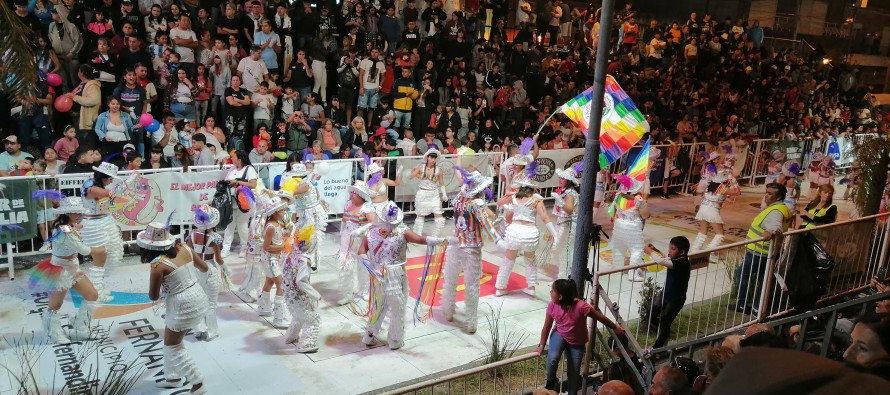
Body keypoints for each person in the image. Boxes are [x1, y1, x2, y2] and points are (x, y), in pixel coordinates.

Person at [358, 202, 446, 349]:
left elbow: (361, 252)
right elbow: (420, 239)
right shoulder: (401, 232)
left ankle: (369, 335)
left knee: (379, 305)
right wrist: (439, 241)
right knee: (397, 306)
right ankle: (395, 340)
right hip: (394, 275)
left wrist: (373, 270)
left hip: (378, 275)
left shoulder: (371, 233)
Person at [139, 222, 209, 394]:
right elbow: (204, 267)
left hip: (181, 304)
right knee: (172, 342)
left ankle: (197, 382)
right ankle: (173, 377)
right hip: (198, 296)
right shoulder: (184, 247)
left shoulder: (158, 265)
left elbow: (153, 296)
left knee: (172, 345)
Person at [33, 197, 107, 344]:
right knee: (55, 305)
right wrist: (105, 248)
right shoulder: (64, 231)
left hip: (73, 268)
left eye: (79, 211)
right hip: (60, 270)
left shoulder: (69, 225)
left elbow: (75, 228)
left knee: (92, 295)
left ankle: (81, 328)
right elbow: (85, 250)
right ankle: (53, 333)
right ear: (66, 213)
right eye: (74, 212)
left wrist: (81, 227)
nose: (78, 214)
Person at [535, 279, 624, 395]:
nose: (550, 292)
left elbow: (600, 317)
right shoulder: (552, 305)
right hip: (560, 334)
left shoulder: (581, 307)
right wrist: (541, 345)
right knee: (553, 358)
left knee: (574, 372)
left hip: (576, 342)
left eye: (553, 291)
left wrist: (615, 327)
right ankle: (551, 380)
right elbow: (547, 326)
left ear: (560, 296)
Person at [441, 169, 501, 334]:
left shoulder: (458, 199)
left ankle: (448, 310)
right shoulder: (476, 204)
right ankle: (470, 322)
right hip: (471, 247)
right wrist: (498, 239)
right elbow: (485, 223)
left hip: (455, 243)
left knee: (451, 279)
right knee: (472, 285)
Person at [733, 183, 792, 314]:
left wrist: (770, 232)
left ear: (778, 197)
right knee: (762, 280)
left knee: (741, 273)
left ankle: (742, 304)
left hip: (759, 253)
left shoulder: (776, 211)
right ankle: (756, 308)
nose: (766, 195)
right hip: (769, 252)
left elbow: (776, 226)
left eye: (770, 193)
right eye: (767, 192)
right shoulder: (782, 208)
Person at [495, 177, 558, 297]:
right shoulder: (536, 200)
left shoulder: (513, 197)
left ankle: (500, 288)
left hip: (514, 232)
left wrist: (508, 194)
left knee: (508, 260)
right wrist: (555, 234)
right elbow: (545, 218)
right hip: (530, 233)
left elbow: (499, 202)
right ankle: (531, 287)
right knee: (530, 261)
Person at [81, 162, 130, 301]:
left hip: (105, 220)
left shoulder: (99, 185)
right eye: (110, 177)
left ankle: (98, 286)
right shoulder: (90, 186)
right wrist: (129, 181)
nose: (111, 180)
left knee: (115, 253)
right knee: (100, 258)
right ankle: (96, 293)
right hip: (93, 225)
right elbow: (111, 193)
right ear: (103, 176)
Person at [186, 205, 228, 341]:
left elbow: (187, 252)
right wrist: (227, 269)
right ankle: (211, 331)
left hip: (195, 269)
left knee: (198, 300)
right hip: (210, 269)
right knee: (211, 303)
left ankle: (198, 329)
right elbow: (219, 259)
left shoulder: (192, 234)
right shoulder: (215, 238)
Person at [281, 220, 322, 353]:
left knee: (298, 316)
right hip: (300, 296)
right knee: (312, 318)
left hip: (288, 295)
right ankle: (306, 344)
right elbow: (301, 280)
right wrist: (315, 294)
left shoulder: (289, 255)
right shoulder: (305, 260)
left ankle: (290, 336)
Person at [643, 236, 691, 349]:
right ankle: (656, 329)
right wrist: (655, 250)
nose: (669, 251)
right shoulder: (676, 259)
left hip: (675, 300)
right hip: (665, 294)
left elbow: (661, 261)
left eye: (673, 249)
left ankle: (658, 348)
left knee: (665, 321)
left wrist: (650, 252)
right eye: (669, 247)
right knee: (652, 310)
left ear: (682, 252)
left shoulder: (682, 263)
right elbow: (665, 258)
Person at [255, 191, 295, 329]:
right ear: (275, 212)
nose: (284, 211)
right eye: (281, 209)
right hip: (271, 260)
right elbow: (266, 246)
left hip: (274, 259)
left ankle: (263, 308)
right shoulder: (271, 226)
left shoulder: (277, 224)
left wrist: (283, 239)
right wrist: (282, 246)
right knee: (282, 286)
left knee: (269, 282)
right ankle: (279, 318)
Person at [690, 152, 740, 252]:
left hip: (703, 209)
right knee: (720, 234)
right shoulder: (722, 188)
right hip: (712, 211)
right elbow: (738, 192)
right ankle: (709, 253)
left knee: (703, 232)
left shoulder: (711, 185)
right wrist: (733, 180)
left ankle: (694, 250)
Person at [336, 180, 374, 305]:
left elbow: (373, 223)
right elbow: (344, 220)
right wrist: (341, 234)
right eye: (351, 192)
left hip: (361, 240)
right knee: (346, 266)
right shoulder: (347, 205)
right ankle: (347, 293)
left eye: (355, 193)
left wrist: (360, 230)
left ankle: (364, 291)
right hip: (346, 240)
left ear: (361, 195)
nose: (351, 194)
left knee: (363, 265)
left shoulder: (367, 207)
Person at [609, 174, 651, 282]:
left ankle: (616, 269)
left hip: (618, 227)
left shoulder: (618, 196)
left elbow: (612, 211)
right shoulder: (638, 200)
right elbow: (646, 215)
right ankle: (633, 274)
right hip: (633, 228)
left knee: (619, 248)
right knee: (636, 250)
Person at [222, 151, 259, 257]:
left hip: (245, 202)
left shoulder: (249, 169)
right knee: (229, 225)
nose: (231, 159)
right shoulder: (232, 169)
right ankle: (226, 248)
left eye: (233, 157)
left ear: (239, 160)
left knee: (242, 224)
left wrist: (238, 182)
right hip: (231, 201)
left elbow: (253, 184)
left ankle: (244, 247)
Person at [551, 162, 582, 279]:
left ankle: (563, 276)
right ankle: (563, 274)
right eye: (560, 177)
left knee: (562, 250)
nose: (560, 180)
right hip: (562, 224)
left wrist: (560, 200)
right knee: (561, 250)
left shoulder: (570, 194)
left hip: (568, 226)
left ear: (569, 181)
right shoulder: (565, 191)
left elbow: (569, 210)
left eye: (563, 178)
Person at [410, 146, 447, 237]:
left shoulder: (439, 170)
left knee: (439, 218)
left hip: (434, 195)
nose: (433, 160)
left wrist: (444, 194)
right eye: (431, 157)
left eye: (434, 158)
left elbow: (441, 183)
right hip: (422, 194)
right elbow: (410, 176)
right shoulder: (421, 167)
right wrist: (413, 173)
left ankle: (434, 237)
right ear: (427, 157)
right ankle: (417, 237)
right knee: (420, 216)